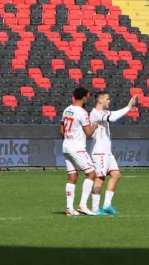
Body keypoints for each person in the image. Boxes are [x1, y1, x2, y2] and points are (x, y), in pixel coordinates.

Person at [89, 91, 137, 215]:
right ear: (100, 100)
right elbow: (113, 118)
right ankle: (95, 209)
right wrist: (128, 107)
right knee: (99, 179)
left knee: (116, 175)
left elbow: (114, 114)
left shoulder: (104, 112)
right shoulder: (95, 113)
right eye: (107, 98)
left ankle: (106, 205)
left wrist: (129, 107)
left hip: (107, 152)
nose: (109, 101)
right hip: (99, 152)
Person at [61, 86, 99, 216]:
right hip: (77, 148)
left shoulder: (67, 110)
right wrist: (94, 126)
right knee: (92, 174)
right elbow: (88, 133)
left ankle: (69, 209)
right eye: (86, 97)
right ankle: (82, 205)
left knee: (72, 176)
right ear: (83, 97)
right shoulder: (82, 112)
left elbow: (61, 131)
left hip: (66, 146)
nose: (87, 99)